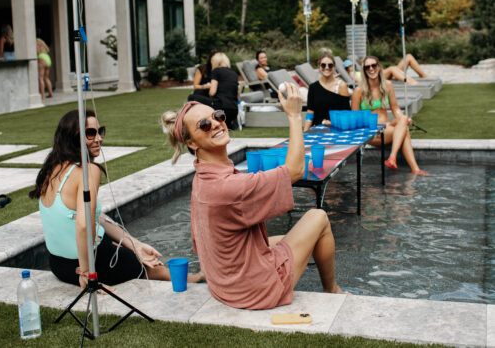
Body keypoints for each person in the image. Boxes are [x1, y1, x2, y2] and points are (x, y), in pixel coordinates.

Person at [161, 83, 346, 310]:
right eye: (204, 125)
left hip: (224, 284)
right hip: (256, 291)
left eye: (217, 116)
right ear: (191, 143)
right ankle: (332, 290)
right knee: (318, 217)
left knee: (280, 238)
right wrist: (296, 117)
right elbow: (296, 171)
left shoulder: (202, 177)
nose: (217, 124)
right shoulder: (229, 187)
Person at [29, 109, 203, 290]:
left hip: (59, 265)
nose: (99, 138)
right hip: (91, 263)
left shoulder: (51, 170)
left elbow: (91, 217)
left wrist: (135, 244)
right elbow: (83, 225)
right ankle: (193, 278)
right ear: (72, 137)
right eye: (90, 133)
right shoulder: (88, 170)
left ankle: (137, 250)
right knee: (146, 265)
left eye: (100, 131)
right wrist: (88, 274)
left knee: (130, 249)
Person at [351, 56, 429, 176]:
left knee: (403, 120)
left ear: (379, 67)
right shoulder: (359, 91)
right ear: (364, 70)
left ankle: (394, 159)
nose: (371, 69)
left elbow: (395, 108)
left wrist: (404, 118)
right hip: (371, 132)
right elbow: (355, 118)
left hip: (387, 127)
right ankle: (413, 168)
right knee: (405, 131)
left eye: (374, 65)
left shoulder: (387, 85)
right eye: (367, 67)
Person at [304, 53, 350, 131]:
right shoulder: (313, 87)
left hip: (337, 129)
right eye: (323, 65)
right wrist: (305, 132)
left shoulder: (341, 86)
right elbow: (310, 113)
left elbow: (346, 113)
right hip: (317, 128)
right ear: (319, 66)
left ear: (334, 67)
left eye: (330, 65)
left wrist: (332, 122)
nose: (327, 67)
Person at [345, 54, 432, 85]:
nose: (351, 67)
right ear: (347, 69)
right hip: (378, 78)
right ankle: (410, 81)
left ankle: (422, 75)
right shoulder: (352, 74)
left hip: (382, 74)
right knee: (391, 68)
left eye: (351, 65)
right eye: (349, 67)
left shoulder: (358, 70)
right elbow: (361, 81)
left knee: (408, 57)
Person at [208, 52, 239, 129]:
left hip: (220, 109)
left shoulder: (216, 71)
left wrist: (209, 88)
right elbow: (238, 95)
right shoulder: (234, 73)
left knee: (193, 97)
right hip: (234, 110)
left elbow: (212, 92)